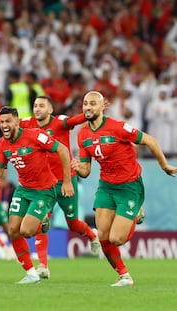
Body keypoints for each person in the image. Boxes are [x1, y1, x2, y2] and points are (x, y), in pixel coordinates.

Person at [0, 94, 100, 279]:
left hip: (65, 180)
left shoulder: (60, 123)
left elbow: (79, 119)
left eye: (41, 105)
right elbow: (2, 119)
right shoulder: (25, 124)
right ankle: (42, 267)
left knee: (72, 223)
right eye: (35, 105)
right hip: (40, 185)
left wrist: (93, 111)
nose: (37, 108)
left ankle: (91, 234)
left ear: (50, 110)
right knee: (35, 223)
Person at [71, 91, 177, 287]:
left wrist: (164, 166)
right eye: (85, 103)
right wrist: (79, 169)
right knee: (102, 236)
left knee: (117, 239)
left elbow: (150, 141)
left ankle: (135, 212)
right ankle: (124, 276)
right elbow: (86, 171)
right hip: (106, 187)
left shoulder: (118, 127)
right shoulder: (83, 134)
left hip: (129, 186)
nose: (87, 107)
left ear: (103, 106)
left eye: (92, 103)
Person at [0, 106, 74, 284]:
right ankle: (31, 273)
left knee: (26, 231)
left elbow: (63, 151)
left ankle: (41, 223)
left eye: (8, 121)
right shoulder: (1, 144)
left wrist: (67, 182)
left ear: (17, 122)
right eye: (1, 122)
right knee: (13, 231)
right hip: (23, 189)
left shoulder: (35, 135)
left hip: (44, 190)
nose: (4, 125)